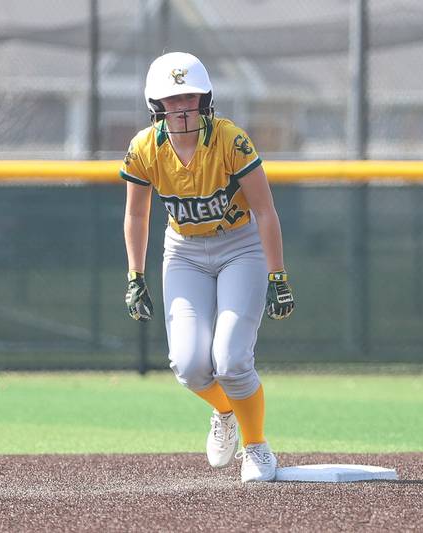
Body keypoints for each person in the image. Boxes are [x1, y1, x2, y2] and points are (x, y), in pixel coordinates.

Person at [121, 52, 295, 483]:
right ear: (155, 105)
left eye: (190, 97)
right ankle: (224, 412)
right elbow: (137, 215)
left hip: (240, 245)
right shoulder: (144, 147)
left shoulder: (230, 139)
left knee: (232, 360)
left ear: (206, 99)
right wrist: (135, 275)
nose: (182, 107)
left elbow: (266, 210)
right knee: (188, 364)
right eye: (171, 99)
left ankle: (257, 448)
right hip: (183, 251)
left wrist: (278, 274)